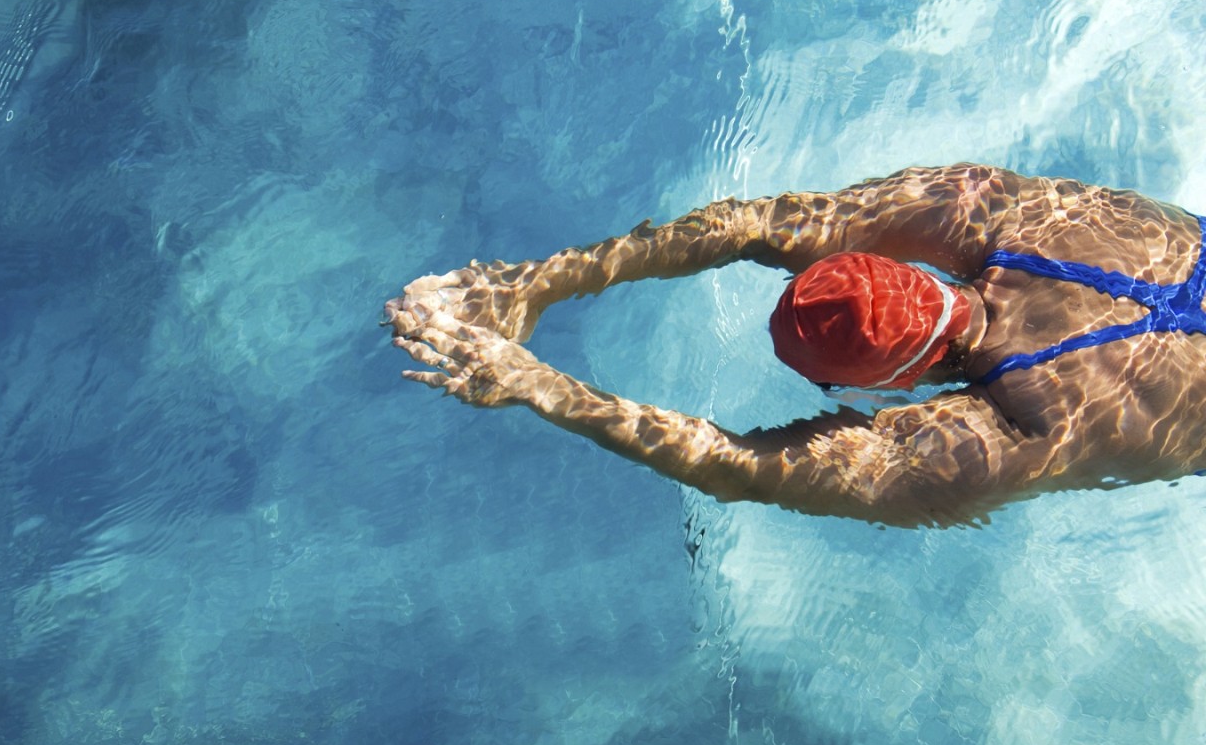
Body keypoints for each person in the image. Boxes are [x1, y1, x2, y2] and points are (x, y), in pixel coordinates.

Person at [384, 164, 1206, 527]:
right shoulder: (1011, 216)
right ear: (901, 267)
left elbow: (739, 466)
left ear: (897, 382)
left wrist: (536, 385)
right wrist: (534, 282)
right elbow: (758, 225)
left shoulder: (1019, 432)